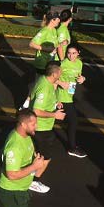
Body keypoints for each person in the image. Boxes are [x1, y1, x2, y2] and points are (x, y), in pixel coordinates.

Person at [28, 61, 67, 193]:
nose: (61, 73)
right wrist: (54, 115)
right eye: (60, 72)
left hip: (44, 127)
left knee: (38, 154)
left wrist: (56, 102)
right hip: (41, 128)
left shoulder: (46, 81)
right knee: (46, 158)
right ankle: (34, 182)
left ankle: (29, 173)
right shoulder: (44, 88)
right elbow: (36, 110)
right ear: (55, 74)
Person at [58, 44, 87, 158]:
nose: (71, 55)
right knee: (73, 121)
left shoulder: (79, 63)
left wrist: (82, 79)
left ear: (78, 53)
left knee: (51, 119)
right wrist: (61, 83)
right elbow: (52, 77)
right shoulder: (62, 64)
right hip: (61, 96)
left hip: (70, 95)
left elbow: (79, 77)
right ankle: (72, 147)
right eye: (69, 53)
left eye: (74, 53)